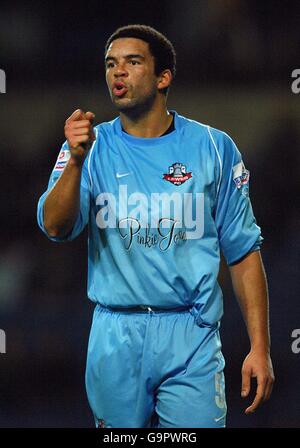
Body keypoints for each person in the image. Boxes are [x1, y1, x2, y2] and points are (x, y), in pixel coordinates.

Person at [37, 24, 274, 428]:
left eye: (132, 62)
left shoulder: (214, 148)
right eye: (111, 64)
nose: (118, 73)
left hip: (191, 332)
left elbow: (243, 252)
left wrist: (260, 346)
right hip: (115, 332)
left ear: (163, 77)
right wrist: (75, 160)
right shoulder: (88, 148)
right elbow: (56, 227)